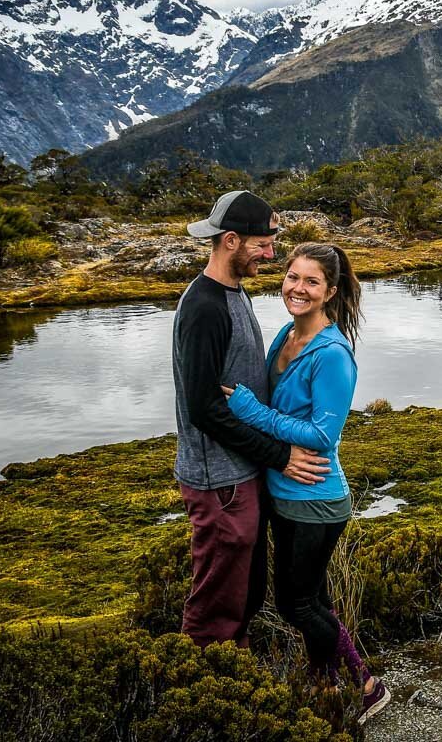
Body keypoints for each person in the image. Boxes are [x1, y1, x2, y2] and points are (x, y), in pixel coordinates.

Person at [220, 241, 391, 725]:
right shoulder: (284, 336)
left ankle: (366, 685)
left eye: (311, 281)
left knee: (297, 606)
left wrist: (251, 411)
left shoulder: (333, 354)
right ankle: (325, 682)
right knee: (311, 599)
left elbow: (323, 433)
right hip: (283, 491)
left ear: (330, 291)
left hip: (316, 499)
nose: (298, 288)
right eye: (293, 276)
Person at [173, 190, 330, 648]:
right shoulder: (204, 308)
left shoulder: (232, 292)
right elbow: (203, 409)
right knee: (218, 603)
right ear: (230, 241)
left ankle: (235, 686)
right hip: (218, 481)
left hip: (240, 473)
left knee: (243, 593)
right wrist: (279, 455)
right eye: (262, 244)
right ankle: (204, 694)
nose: (271, 253)